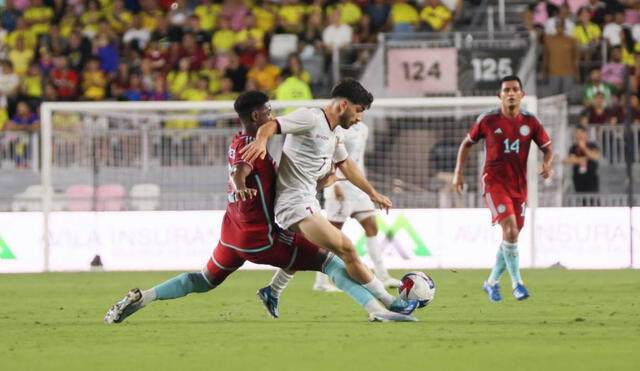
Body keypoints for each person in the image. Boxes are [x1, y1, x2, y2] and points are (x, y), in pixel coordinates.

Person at [104, 91, 418, 324]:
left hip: (231, 234)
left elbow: (261, 169)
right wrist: (241, 186)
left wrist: (320, 175)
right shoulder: (252, 146)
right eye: (268, 111)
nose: (271, 114)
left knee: (203, 280)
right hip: (261, 237)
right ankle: (379, 309)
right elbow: (240, 170)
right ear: (257, 117)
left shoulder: (239, 140)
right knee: (330, 261)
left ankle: (142, 298)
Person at [241, 79, 410, 314]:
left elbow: (347, 165)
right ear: (343, 105)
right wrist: (261, 140)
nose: (359, 118)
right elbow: (269, 126)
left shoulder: (334, 133)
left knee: (307, 252)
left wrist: (373, 193)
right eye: (358, 110)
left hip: (308, 200)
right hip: (294, 203)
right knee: (346, 249)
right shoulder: (309, 118)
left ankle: (273, 290)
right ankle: (389, 302)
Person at [452, 75, 553, 302]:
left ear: (521, 95)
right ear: (499, 96)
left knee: (512, 236)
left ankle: (491, 283)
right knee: (510, 230)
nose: (510, 93)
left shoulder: (531, 122)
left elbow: (547, 148)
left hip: (519, 186)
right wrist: (458, 173)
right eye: (506, 90)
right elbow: (466, 143)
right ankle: (518, 284)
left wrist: (547, 164)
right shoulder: (488, 120)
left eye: (514, 89)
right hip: (494, 183)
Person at [315, 121, 402, 291]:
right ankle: (321, 281)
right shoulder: (337, 129)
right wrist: (333, 186)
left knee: (371, 226)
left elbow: (356, 159)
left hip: (358, 189)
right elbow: (331, 156)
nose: (359, 113)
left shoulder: (364, 128)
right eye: (358, 108)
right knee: (331, 236)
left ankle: (382, 275)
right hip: (339, 188)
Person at [564, 125, 600, 194]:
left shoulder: (592, 145)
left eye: (579, 133)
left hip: (591, 178)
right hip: (578, 178)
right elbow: (571, 160)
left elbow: (595, 156)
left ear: (585, 134)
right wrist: (583, 159)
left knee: (592, 201)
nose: (578, 136)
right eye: (576, 134)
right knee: (580, 200)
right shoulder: (573, 147)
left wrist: (583, 148)